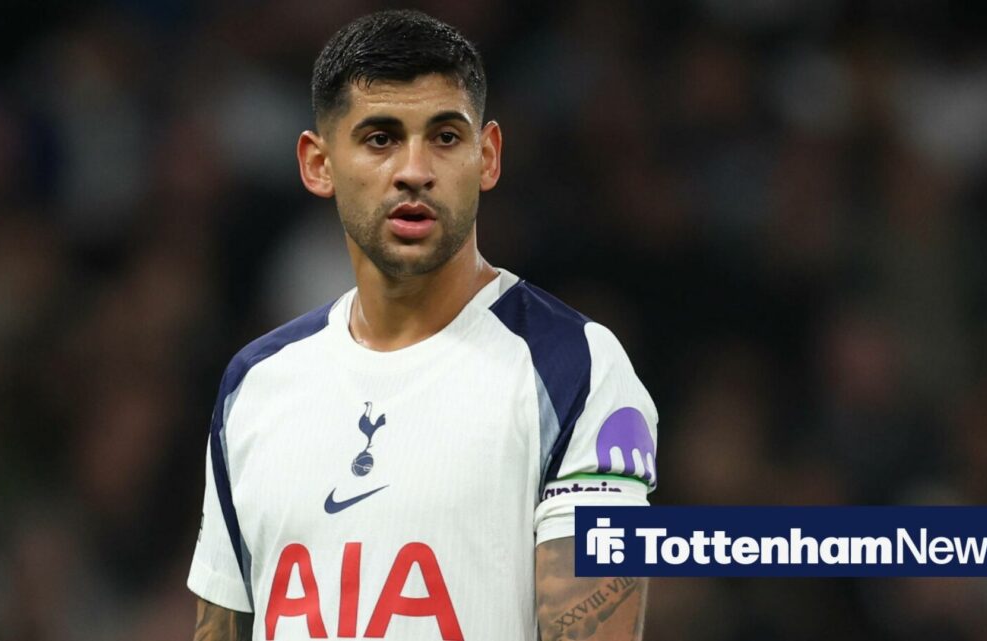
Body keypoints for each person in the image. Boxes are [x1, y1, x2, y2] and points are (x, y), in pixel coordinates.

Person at [188, 10, 658, 641]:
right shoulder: (255, 384)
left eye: (443, 137)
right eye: (380, 138)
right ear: (318, 163)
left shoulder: (574, 366)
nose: (414, 169)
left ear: (487, 157)